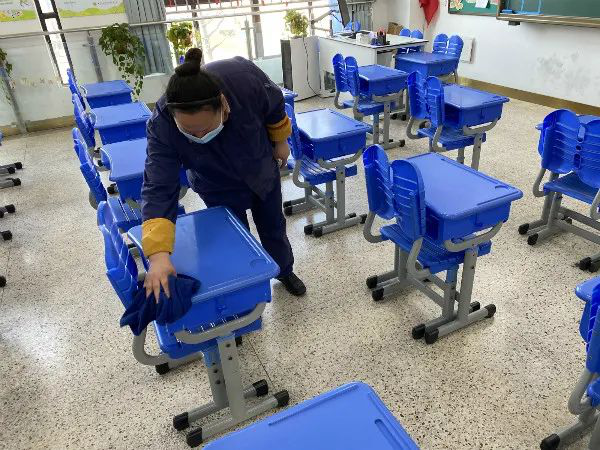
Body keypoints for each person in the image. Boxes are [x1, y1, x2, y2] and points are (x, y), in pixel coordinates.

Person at [141, 57, 306, 300]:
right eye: (190, 132)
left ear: (223, 104)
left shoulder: (243, 79)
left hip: (259, 167)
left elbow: (274, 105)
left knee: (273, 226)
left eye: (206, 128)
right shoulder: (162, 124)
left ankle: (284, 270)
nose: (200, 135)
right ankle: (245, 291)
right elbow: (158, 186)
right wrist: (158, 255)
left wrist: (280, 141)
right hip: (213, 181)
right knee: (233, 240)